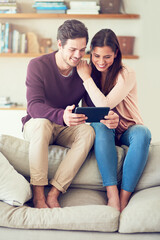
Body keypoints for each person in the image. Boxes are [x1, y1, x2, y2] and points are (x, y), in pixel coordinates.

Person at [21, 21, 119, 209]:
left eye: (82, 50)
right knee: (41, 124)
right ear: (59, 44)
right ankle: (39, 195)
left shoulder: (83, 70)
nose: (77, 55)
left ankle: (55, 193)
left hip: (66, 128)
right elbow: (34, 106)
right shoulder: (38, 65)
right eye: (72, 49)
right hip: (38, 125)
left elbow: (91, 108)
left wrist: (109, 117)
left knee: (88, 132)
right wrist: (61, 116)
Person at [77, 28, 151, 212]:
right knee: (100, 127)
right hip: (104, 129)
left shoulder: (126, 73)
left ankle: (123, 198)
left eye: (107, 57)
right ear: (91, 52)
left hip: (127, 128)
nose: (101, 62)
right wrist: (87, 76)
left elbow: (104, 104)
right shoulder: (88, 72)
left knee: (143, 133)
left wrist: (86, 78)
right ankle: (112, 195)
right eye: (96, 55)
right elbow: (90, 112)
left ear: (116, 54)